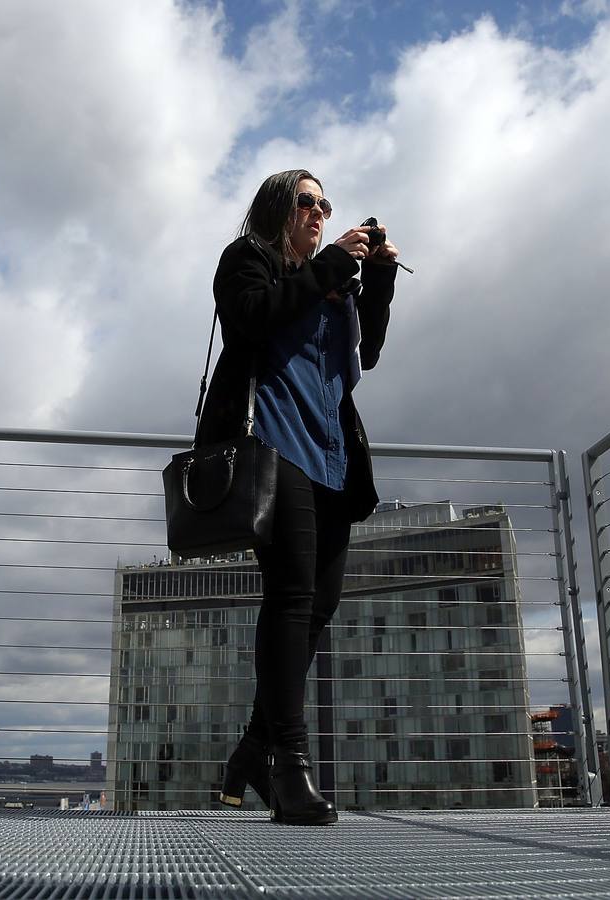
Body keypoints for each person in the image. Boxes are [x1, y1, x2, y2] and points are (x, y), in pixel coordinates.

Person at [200, 170, 400, 824]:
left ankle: (254, 751)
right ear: (279, 209)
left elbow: (363, 357)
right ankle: (290, 765)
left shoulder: (332, 279)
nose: (319, 212)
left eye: (326, 204)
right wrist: (334, 262)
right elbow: (251, 321)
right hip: (272, 449)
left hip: (333, 461)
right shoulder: (247, 260)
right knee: (290, 599)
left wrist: (378, 285)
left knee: (320, 606)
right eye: (307, 202)